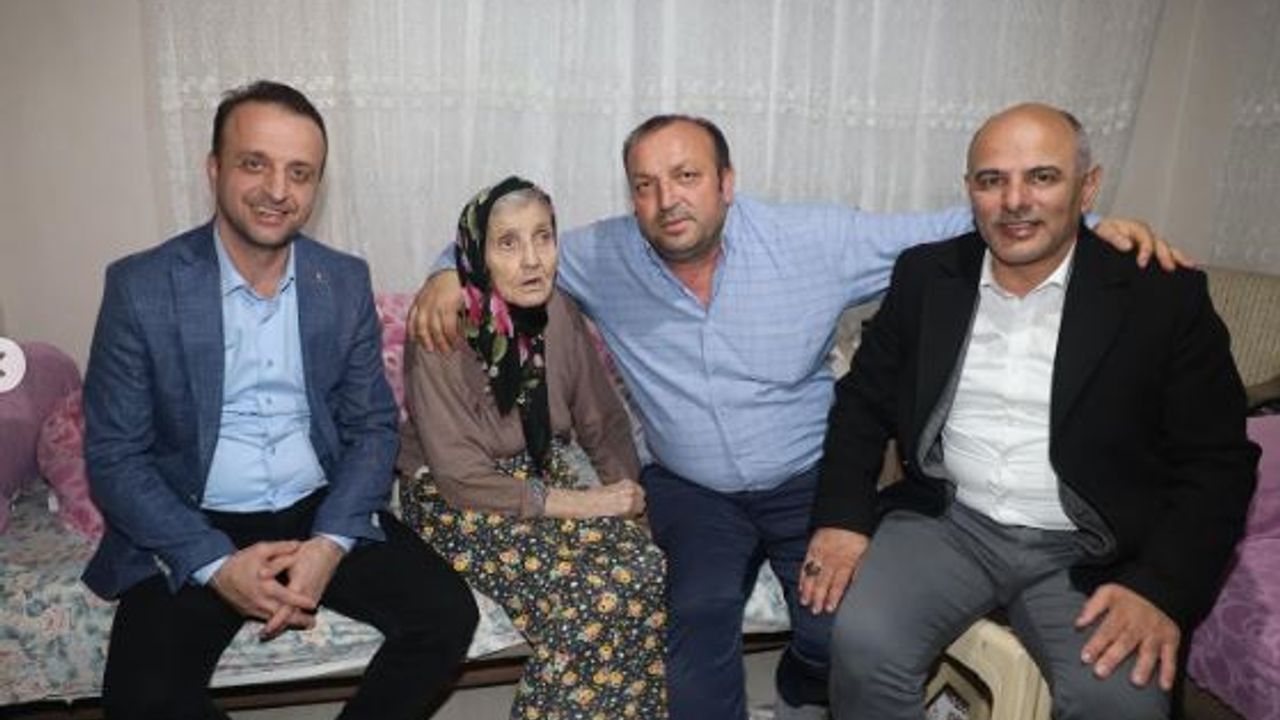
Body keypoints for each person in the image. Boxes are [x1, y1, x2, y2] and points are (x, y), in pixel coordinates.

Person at [409, 114, 1183, 719]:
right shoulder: (602, 254)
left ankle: (798, 686)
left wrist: (1089, 231)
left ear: (727, 183)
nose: (666, 200)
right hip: (692, 489)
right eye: (645, 185)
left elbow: (957, 223)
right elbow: (503, 244)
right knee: (696, 616)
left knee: (832, 632)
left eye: (686, 176)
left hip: (806, 479)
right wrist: (446, 276)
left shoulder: (814, 239)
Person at [803, 103, 1259, 719]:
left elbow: (1219, 462)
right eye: (992, 180)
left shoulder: (1160, 295)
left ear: (1087, 188)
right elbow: (861, 402)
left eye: (1042, 177)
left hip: (1092, 547)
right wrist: (841, 518)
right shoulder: (927, 276)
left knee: (1121, 701)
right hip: (949, 521)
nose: (1015, 201)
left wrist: (1161, 588)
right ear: (970, 190)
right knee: (860, 644)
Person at [82, 80, 478, 720]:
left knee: (446, 615)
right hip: (197, 512)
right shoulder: (141, 287)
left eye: (300, 173)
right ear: (214, 169)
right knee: (139, 700)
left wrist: (331, 542)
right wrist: (214, 563)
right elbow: (114, 455)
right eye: (254, 163)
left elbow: (372, 427)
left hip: (316, 503)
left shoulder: (341, 280)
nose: (277, 190)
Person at [397, 176, 669, 719]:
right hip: (453, 493)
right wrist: (587, 503)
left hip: (538, 470)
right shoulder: (441, 328)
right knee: (588, 594)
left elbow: (602, 421)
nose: (531, 260)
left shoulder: (561, 312)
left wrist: (627, 497)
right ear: (477, 255)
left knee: (647, 567)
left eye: (543, 237)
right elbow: (460, 477)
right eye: (508, 243)